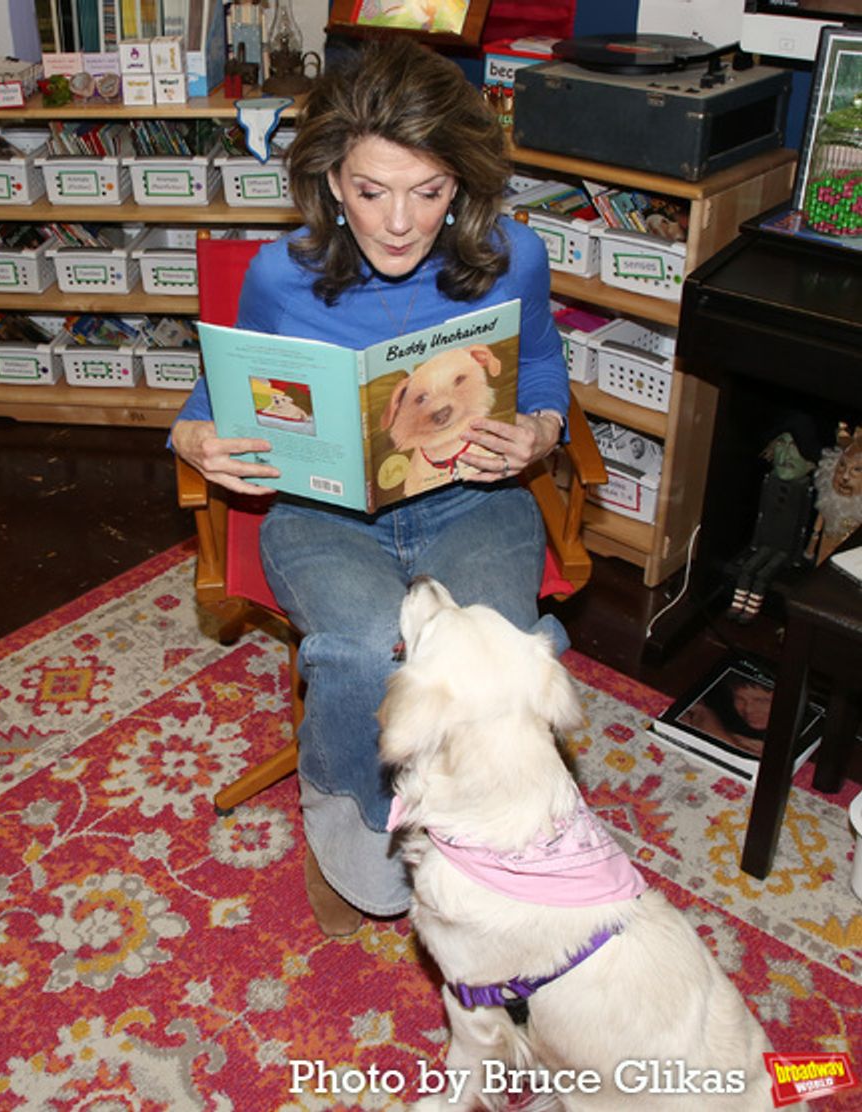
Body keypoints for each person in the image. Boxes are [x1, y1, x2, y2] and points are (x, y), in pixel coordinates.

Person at [170, 37, 570, 936]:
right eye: (370, 190)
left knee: (500, 656)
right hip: (326, 514)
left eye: (427, 192)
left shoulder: (514, 256)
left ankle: (481, 831)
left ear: (460, 182)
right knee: (356, 650)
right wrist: (194, 437)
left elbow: (544, 366)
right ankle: (350, 837)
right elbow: (217, 394)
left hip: (474, 500)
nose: (397, 222)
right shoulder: (283, 274)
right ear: (331, 181)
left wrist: (539, 431)